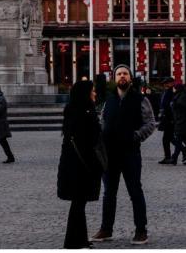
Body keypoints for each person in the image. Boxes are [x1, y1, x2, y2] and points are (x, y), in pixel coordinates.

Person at [90, 65, 156, 245]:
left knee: (135, 192)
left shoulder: (140, 99)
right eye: (119, 74)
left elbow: (150, 123)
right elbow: (103, 121)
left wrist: (136, 136)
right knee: (109, 193)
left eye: (125, 73)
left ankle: (141, 230)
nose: (122, 76)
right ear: (114, 78)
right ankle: (106, 229)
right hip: (110, 154)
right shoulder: (109, 100)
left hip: (130, 153)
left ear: (130, 78)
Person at [57, 80, 104, 249]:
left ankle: (80, 239)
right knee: (78, 204)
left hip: (76, 165)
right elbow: (87, 141)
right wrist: (95, 165)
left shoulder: (76, 110)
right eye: (92, 91)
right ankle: (72, 242)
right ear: (85, 93)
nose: (95, 93)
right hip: (81, 166)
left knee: (79, 204)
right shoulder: (83, 113)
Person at [169, 82, 186, 165]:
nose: (173, 89)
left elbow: (183, 108)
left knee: (179, 141)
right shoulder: (179, 95)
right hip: (181, 122)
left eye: (175, 88)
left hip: (182, 122)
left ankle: (174, 158)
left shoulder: (182, 97)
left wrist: (173, 104)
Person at [156, 78, 175, 164]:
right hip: (166, 117)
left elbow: (170, 106)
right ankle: (169, 156)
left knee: (166, 138)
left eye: (167, 83)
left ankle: (168, 157)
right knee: (169, 138)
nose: (165, 85)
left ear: (171, 83)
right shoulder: (166, 92)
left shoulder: (171, 92)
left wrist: (171, 119)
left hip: (169, 118)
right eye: (164, 83)